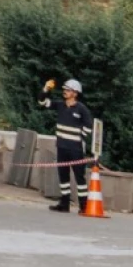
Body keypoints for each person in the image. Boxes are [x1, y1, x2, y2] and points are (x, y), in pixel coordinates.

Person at [41, 78, 94, 212]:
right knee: (63, 175)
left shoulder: (81, 109)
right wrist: (46, 89)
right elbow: (42, 102)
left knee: (79, 177)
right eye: (64, 89)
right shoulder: (60, 105)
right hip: (62, 147)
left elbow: (89, 126)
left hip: (76, 149)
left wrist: (79, 137)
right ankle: (64, 204)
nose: (65, 92)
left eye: (68, 90)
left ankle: (84, 206)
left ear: (75, 93)